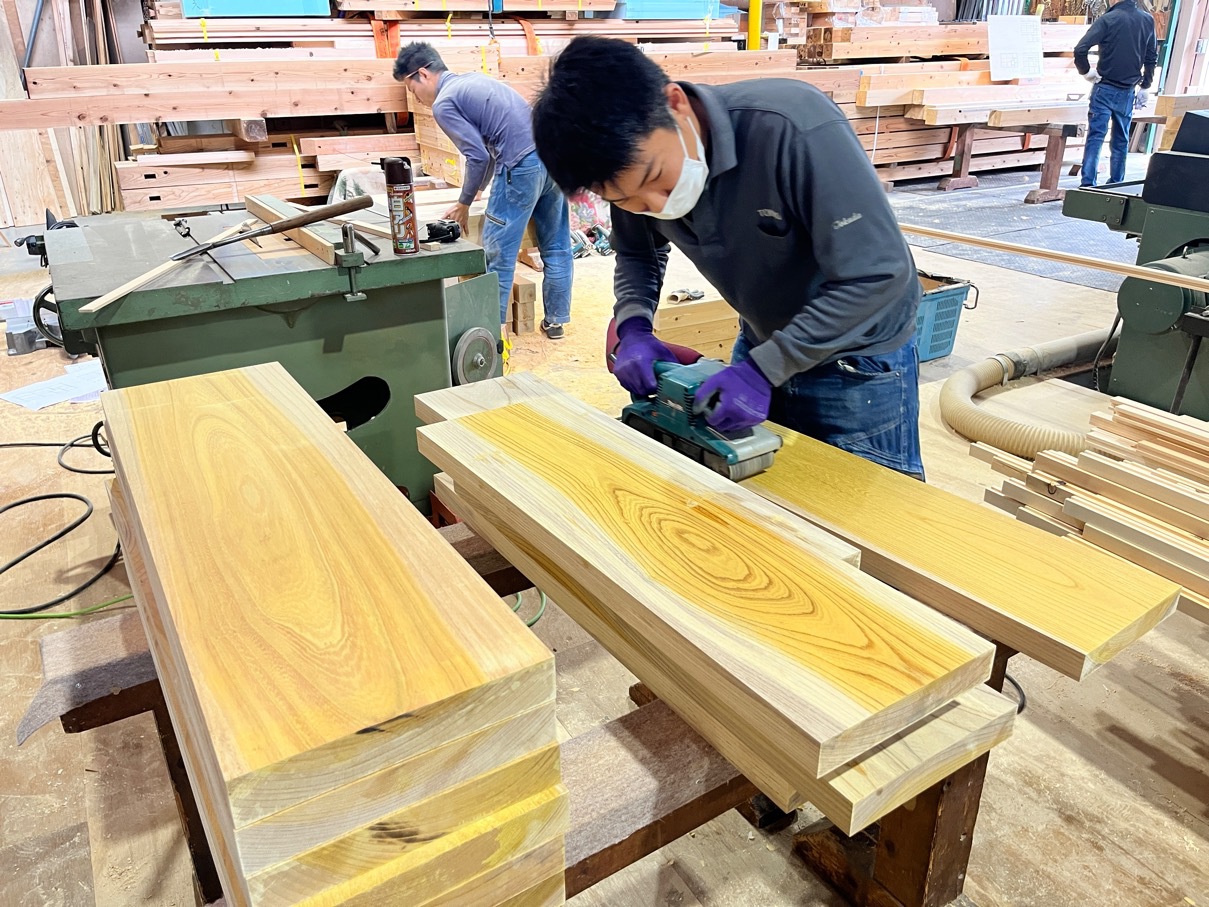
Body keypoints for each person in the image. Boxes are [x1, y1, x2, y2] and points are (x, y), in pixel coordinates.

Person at [531, 36, 925, 477]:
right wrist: (634, 325)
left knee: (864, 504)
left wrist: (765, 370)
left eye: (657, 178)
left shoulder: (791, 127)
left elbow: (877, 274)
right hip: (762, 343)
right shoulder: (625, 171)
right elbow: (639, 254)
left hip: (858, 363)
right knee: (760, 495)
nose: (656, 205)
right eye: (629, 201)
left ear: (675, 104)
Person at [394, 42, 572, 338]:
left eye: (412, 90)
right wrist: (479, 188)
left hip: (520, 165)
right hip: (553, 157)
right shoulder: (472, 81)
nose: (417, 99)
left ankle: (490, 333)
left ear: (423, 74)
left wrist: (464, 203)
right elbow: (489, 149)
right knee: (556, 246)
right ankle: (556, 321)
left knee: (498, 253)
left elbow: (477, 155)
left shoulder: (444, 102)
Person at [1074, 0, 1158, 187]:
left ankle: (1088, 184)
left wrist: (1086, 72)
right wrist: (1146, 86)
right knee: (1121, 139)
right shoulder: (1147, 20)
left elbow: (1080, 49)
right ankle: (1116, 184)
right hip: (1127, 91)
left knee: (1096, 137)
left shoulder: (1108, 19)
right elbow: (1151, 56)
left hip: (1104, 88)